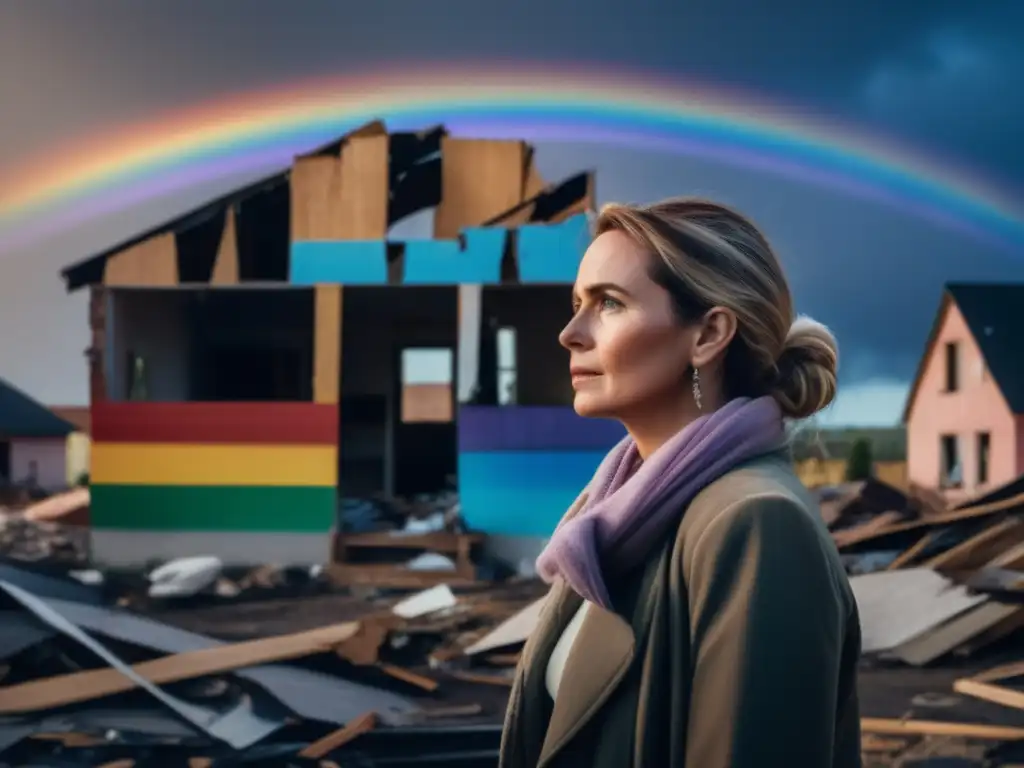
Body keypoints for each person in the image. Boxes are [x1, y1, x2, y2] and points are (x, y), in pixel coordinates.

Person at [499, 198, 861, 768]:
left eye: (609, 304)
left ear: (708, 335)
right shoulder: (610, 513)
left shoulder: (756, 524)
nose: (571, 333)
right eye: (577, 304)